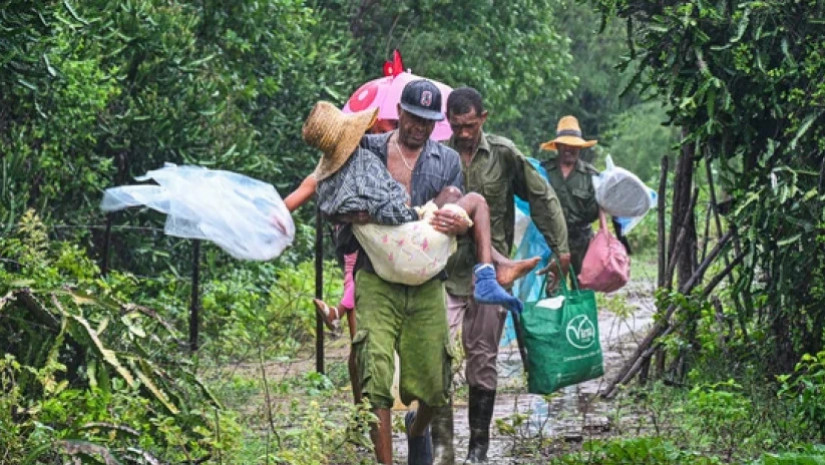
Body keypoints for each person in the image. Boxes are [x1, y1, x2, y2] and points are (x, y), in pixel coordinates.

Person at [438, 87, 571, 464]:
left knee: (482, 360)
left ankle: (477, 450)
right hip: (444, 274)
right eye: (456, 126)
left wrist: (560, 249)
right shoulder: (439, 157)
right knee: (437, 358)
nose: (463, 133)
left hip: (490, 277)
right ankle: (443, 449)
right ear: (449, 123)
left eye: (470, 125)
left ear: (483, 117)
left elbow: (540, 197)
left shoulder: (503, 154)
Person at [539, 115, 600, 275]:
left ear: (579, 148)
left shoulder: (590, 175)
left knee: (582, 288)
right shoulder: (543, 171)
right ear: (558, 146)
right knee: (552, 288)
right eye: (565, 145)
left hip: (581, 241)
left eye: (573, 145)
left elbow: (596, 211)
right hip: (551, 242)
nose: (569, 149)